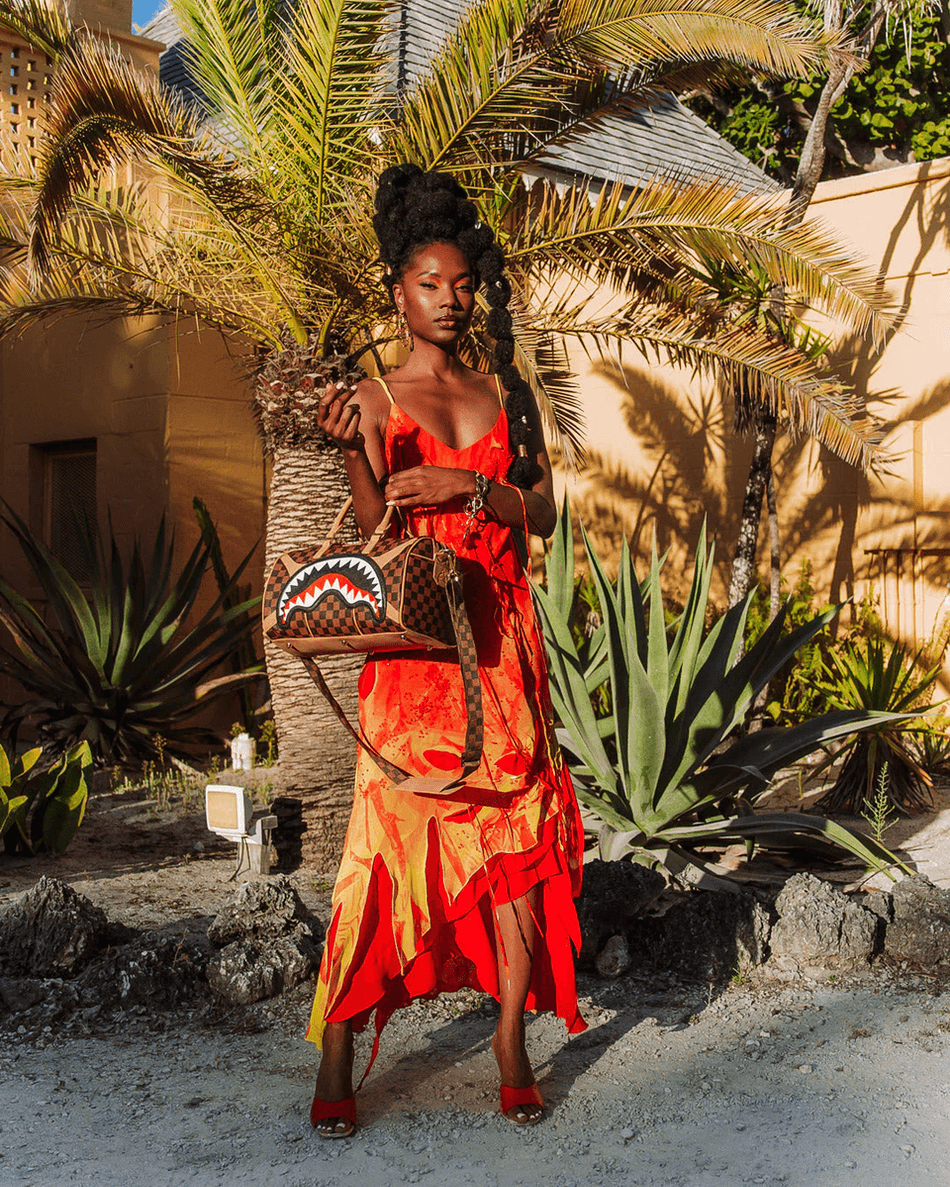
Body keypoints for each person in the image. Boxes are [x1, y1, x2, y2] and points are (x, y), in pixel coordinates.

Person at [307, 164, 586, 1138]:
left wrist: (470, 490)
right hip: (417, 658)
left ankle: (509, 1042)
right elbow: (372, 529)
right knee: (381, 846)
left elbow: (543, 508)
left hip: (503, 646)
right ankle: (338, 1040)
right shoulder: (375, 395)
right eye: (430, 283)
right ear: (398, 291)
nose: (450, 299)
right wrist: (355, 452)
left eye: (462, 284)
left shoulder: (507, 392)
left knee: (516, 845)